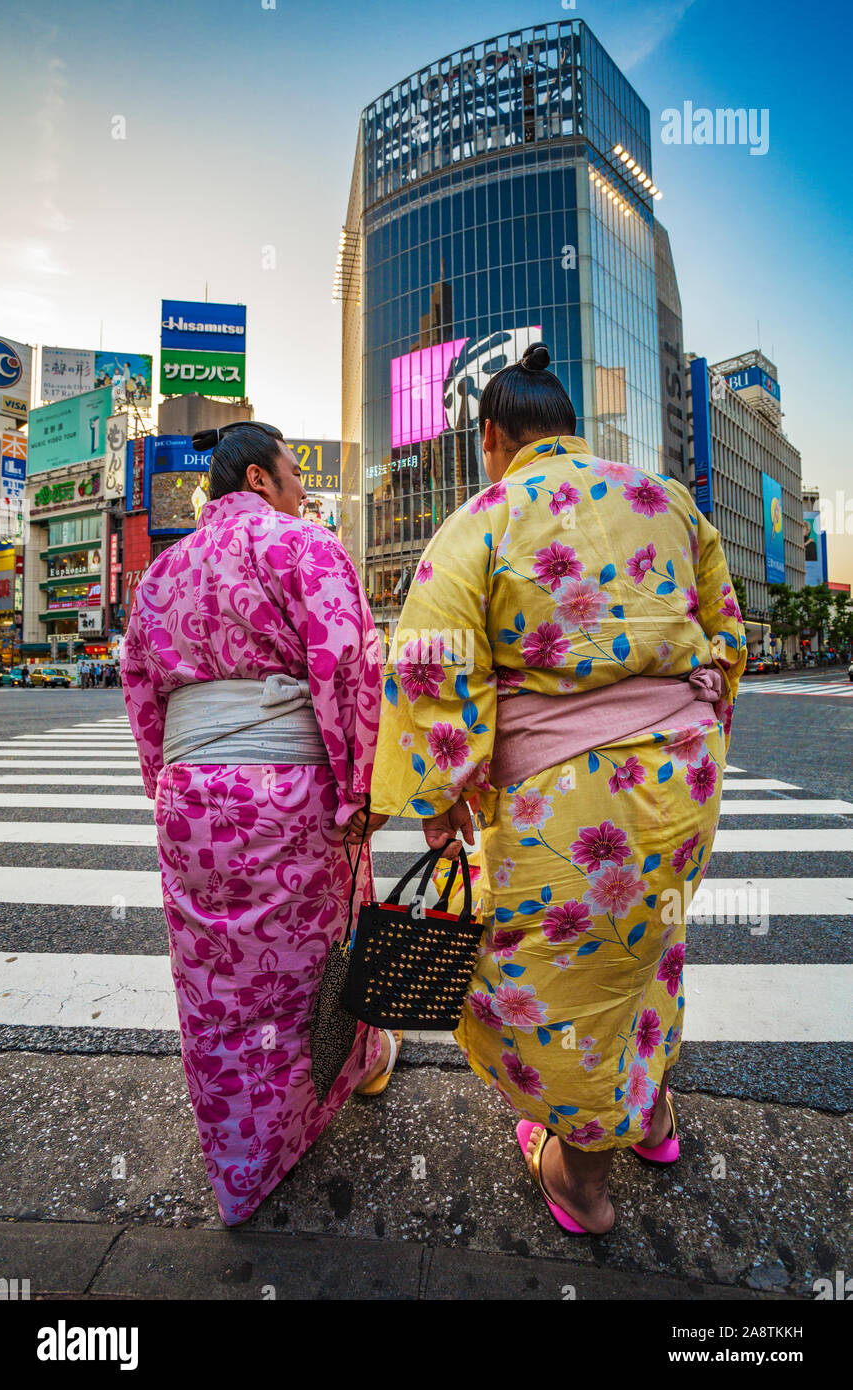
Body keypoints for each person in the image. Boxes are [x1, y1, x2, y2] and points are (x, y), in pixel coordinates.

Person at [370, 343, 747, 1236]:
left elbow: (431, 664)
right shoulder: (666, 501)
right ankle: (649, 1113)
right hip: (683, 777)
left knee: (556, 981)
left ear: (491, 436)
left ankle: (582, 1177)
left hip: (569, 800)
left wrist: (439, 794)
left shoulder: (484, 519)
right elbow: (725, 638)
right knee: (646, 949)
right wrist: (682, 732)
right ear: (570, 429)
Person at [122, 421, 393, 1227]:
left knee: (218, 987)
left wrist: (164, 786)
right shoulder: (300, 546)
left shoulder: (161, 573)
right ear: (258, 478)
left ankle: (240, 1167)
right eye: (294, 473)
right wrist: (359, 792)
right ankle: (349, 1068)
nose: (303, 489)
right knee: (311, 963)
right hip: (293, 794)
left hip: (192, 798)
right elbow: (348, 665)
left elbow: (143, 699)